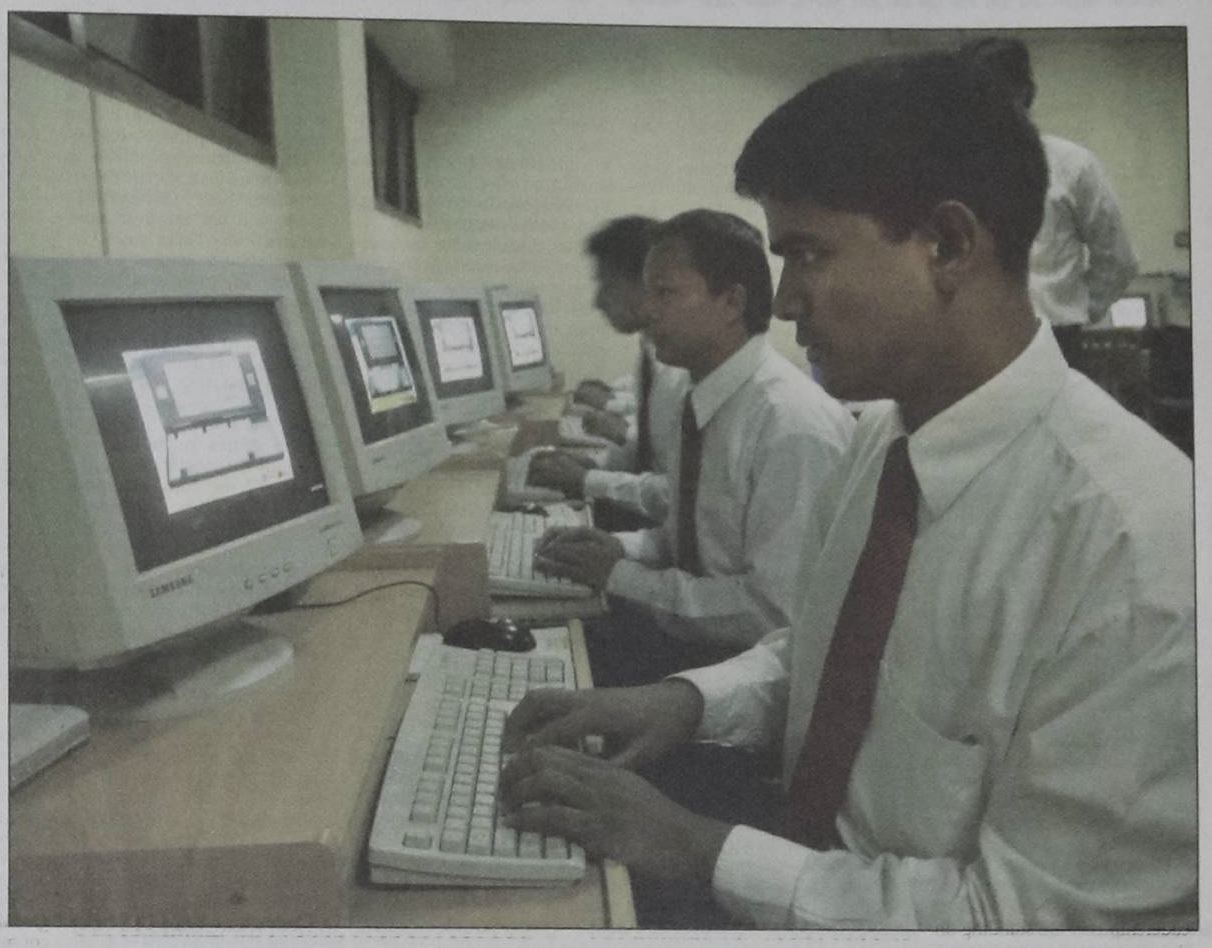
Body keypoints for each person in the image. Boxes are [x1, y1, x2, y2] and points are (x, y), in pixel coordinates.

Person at [498, 50, 1195, 929]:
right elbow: (826, 658)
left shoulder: (1137, 551)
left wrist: (696, 847)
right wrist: (684, 702)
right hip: (805, 859)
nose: (785, 302)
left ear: (948, 246)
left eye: (808, 254)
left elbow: (1024, 921)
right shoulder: (885, 442)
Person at [533, 208, 854, 686]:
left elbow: (771, 613)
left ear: (731, 302)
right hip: (696, 644)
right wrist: (621, 547)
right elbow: (699, 538)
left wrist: (620, 576)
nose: (648, 309)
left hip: (738, 676)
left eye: (665, 293)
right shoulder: (705, 395)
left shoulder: (788, 425)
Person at [961, 36, 1138, 367]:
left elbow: (1118, 260)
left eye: (998, 91)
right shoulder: (953, 172)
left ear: (1023, 92)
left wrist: (1076, 309)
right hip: (974, 340)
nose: (987, 106)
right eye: (976, 95)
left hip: (1056, 339)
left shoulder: (1074, 165)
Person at [528, 215, 683, 525]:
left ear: (647, 283)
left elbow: (682, 497)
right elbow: (655, 456)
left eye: (608, 285)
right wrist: (595, 469)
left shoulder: (680, 369)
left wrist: (589, 480)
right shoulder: (653, 352)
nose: (597, 302)